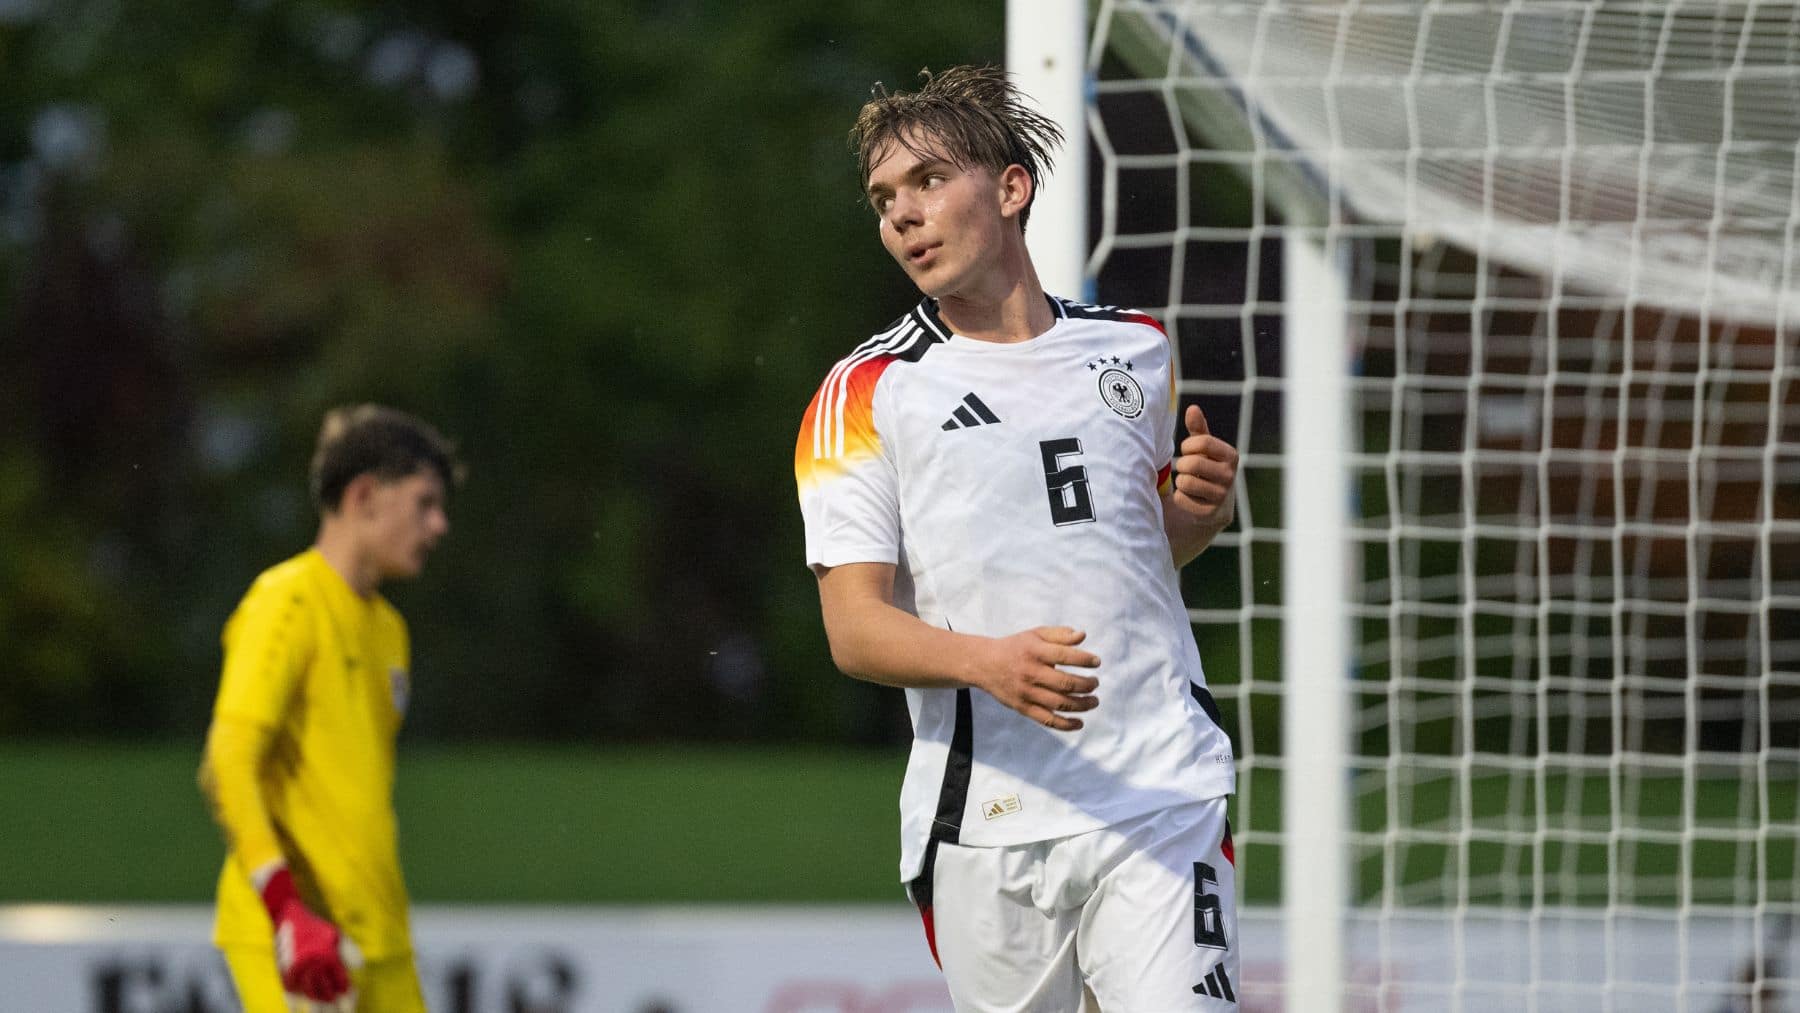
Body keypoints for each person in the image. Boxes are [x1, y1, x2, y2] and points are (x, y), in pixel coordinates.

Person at [794, 66, 1243, 1010]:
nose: (902, 215)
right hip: (986, 817)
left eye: (927, 181)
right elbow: (853, 630)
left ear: (1010, 188)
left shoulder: (1136, 348)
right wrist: (989, 664)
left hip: (1159, 789)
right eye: (883, 198)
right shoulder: (866, 393)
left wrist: (1196, 517)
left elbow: (1122, 557)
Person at [198, 404, 459, 1012]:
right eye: (424, 503)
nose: (439, 524)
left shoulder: (389, 630)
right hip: (299, 937)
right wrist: (285, 909)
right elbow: (228, 763)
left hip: (379, 936)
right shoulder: (286, 603)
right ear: (364, 496)